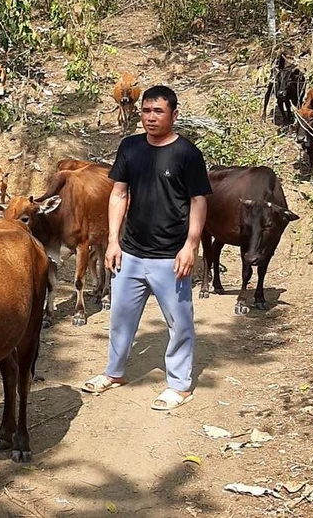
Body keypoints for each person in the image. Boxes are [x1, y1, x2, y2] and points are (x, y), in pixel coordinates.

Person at [80, 85, 211, 411]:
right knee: (121, 319)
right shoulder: (130, 148)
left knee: (179, 322)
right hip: (132, 253)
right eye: (146, 111)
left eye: (158, 112)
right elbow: (119, 194)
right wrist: (113, 241)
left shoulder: (187, 154)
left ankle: (179, 386)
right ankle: (114, 373)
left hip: (171, 257)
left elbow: (198, 200)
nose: (150, 118)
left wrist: (190, 246)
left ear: (174, 115)